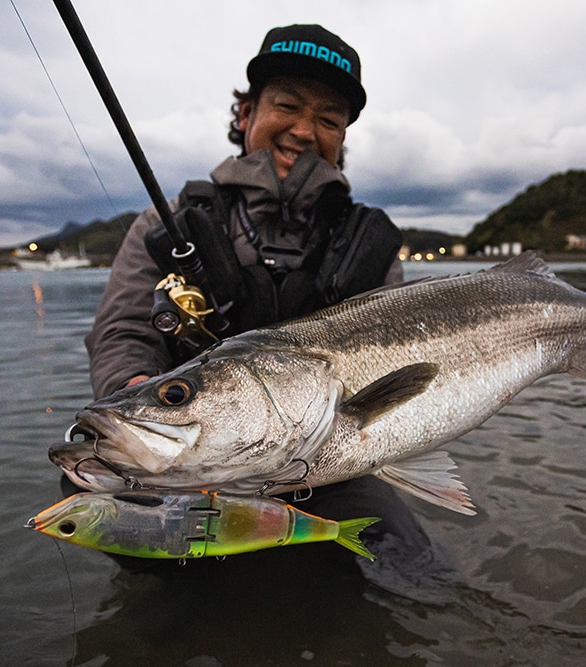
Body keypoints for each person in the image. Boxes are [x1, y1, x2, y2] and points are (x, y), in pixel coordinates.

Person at [83, 24, 432, 562]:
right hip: (195, 455)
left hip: (327, 462)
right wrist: (146, 399)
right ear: (245, 114)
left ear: (343, 138)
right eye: (287, 106)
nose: (303, 129)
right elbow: (124, 329)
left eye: (328, 119)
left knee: (411, 565)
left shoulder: (371, 244)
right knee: (95, 505)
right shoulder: (166, 224)